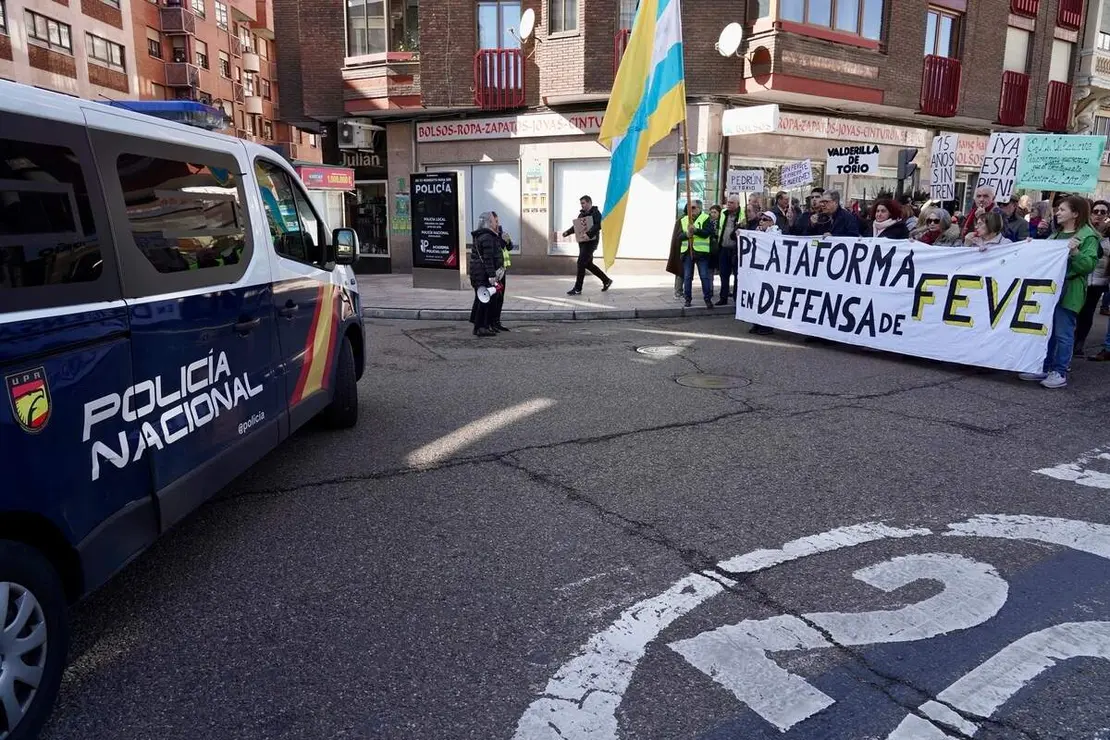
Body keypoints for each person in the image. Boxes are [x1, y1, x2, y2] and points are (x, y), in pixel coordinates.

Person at [1019, 195, 1099, 388]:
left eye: (1062, 210)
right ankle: (1044, 367)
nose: (1058, 213)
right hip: (1052, 288)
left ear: (1075, 213)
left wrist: (1076, 253)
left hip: (1070, 289)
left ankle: (1059, 371)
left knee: (1063, 332)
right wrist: (1034, 244)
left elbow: (1088, 265)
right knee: (1048, 331)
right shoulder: (1057, 234)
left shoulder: (1088, 236)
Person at [561, 194, 612, 295]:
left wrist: (589, 234)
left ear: (589, 202)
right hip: (583, 242)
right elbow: (576, 226)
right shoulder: (581, 214)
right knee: (588, 264)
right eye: (581, 203)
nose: (582, 205)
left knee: (581, 263)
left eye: (583, 203)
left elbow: (598, 225)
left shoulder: (596, 213)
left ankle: (577, 288)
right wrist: (567, 232)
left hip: (591, 242)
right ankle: (606, 280)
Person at [468, 211, 506, 338]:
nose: (497, 223)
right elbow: (488, 258)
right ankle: (481, 327)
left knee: (482, 299)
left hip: (479, 273)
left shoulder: (486, 235)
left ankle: (480, 326)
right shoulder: (487, 237)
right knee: (484, 299)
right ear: (489, 222)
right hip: (482, 274)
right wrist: (492, 276)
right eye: (495, 221)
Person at [1075, 219, 1110, 354]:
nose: (1099, 216)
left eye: (1103, 212)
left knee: (1087, 313)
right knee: (1076, 311)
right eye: (1096, 212)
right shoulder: (1083, 234)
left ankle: (1079, 343)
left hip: (1097, 282)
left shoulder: (1106, 241)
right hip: (1080, 280)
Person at [678, 199, 714, 308]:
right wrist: (687, 234)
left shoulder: (705, 218)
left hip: (701, 252)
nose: (691, 210)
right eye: (689, 207)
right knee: (688, 277)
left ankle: (707, 299)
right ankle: (687, 299)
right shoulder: (683, 220)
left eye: (693, 208)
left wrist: (696, 230)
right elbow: (679, 236)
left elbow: (708, 233)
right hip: (687, 252)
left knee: (704, 276)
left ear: (699, 208)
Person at [716, 195, 742, 306]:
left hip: (736, 250)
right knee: (724, 274)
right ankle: (723, 297)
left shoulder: (742, 214)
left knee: (737, 275)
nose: (728, 204)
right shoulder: (723, 213)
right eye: (728, 202)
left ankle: (737, 298)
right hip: (724, 248)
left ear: (737, 204)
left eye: (731, 202)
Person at [489, 218, 512, 332]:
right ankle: (491, 322)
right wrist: (502, 241)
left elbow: (509, 247)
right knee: (494, 297)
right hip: (494, 272)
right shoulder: (490, 236)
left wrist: (508, 241)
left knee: (500, 297)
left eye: (497, 221)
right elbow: (496, 249)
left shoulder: (501, 233)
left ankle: (497, 321)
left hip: (502, 271)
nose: (497, 223)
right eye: (495, 221)